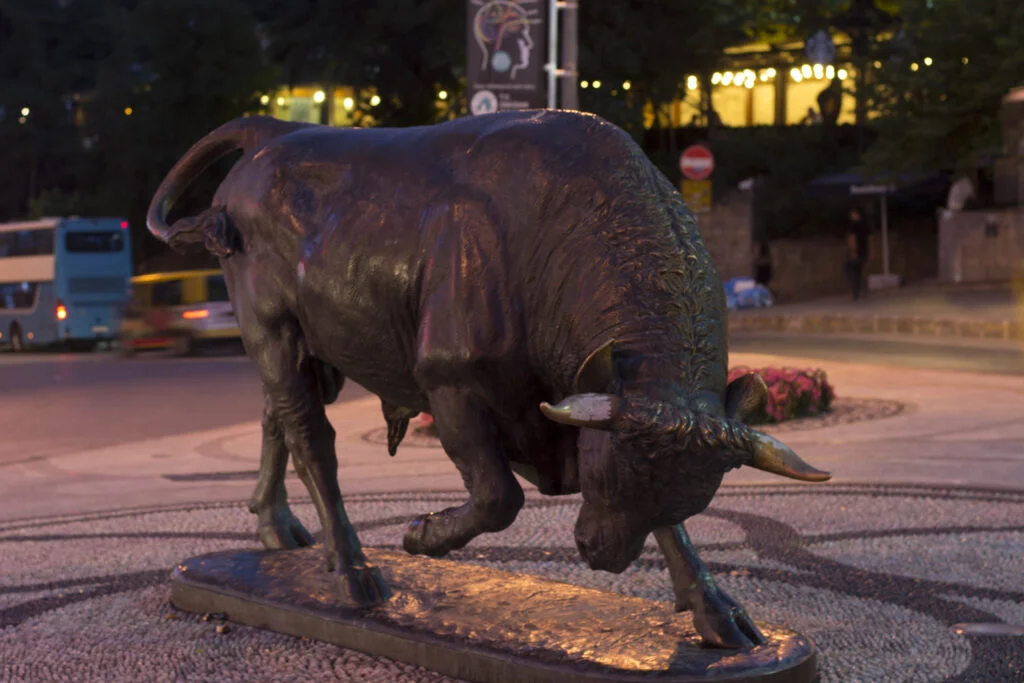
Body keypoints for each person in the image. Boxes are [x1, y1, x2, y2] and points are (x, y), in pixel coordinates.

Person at [845, 207, 870, 300]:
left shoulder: (853, 226)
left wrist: (853, 251)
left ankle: (856, 290)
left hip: (857, 252)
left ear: (857, 214)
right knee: (858, 271)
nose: (851, 216)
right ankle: (857, 290)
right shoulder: (865, 224)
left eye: (853, 214)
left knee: (849, 269)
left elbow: (852, 239)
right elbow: (870, 238)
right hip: (864, 252)